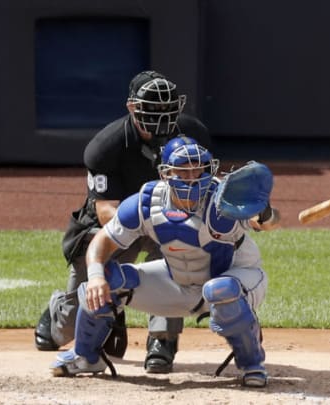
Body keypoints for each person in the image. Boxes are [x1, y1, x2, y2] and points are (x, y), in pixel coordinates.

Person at [49, 138, 280, 387]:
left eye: (198, 168)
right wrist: (95, 275)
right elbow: (102, 241)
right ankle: (86, 357)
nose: (192, 176)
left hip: (237, 279)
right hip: (178, 283)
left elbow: (267, 222)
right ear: (166, 173)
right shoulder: (148, 202)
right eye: (183, 169)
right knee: (107, 279)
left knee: (221, 290)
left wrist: (265, 212)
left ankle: (252, 364)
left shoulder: (223, 199)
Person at [34, 70, 211, 374]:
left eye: (167, 113)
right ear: (132, 108)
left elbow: (206, 188)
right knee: (65, 331)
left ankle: (162, 339)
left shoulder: (192, 135)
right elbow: (105, 209)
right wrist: (148, 221)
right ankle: (57, 312)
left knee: (178, 251)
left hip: (167, 220)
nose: (160, 121)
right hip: (114, 224)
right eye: (152, 112)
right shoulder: (106, 146)